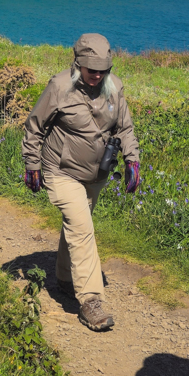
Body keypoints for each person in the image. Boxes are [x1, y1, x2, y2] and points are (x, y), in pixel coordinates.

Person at [21, 33, 140, 333]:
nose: (97, 75)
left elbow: (125, 128)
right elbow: (34, 126)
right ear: (78, 65)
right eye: (92, 70)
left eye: (103, 70)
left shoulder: (115, 90)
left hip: (95, 174)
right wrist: (31, 164)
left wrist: (132, 160)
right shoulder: (59, 87)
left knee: (78, 223)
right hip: (60, 170)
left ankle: (64, 277)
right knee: (83, 228)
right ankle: (90, 300)